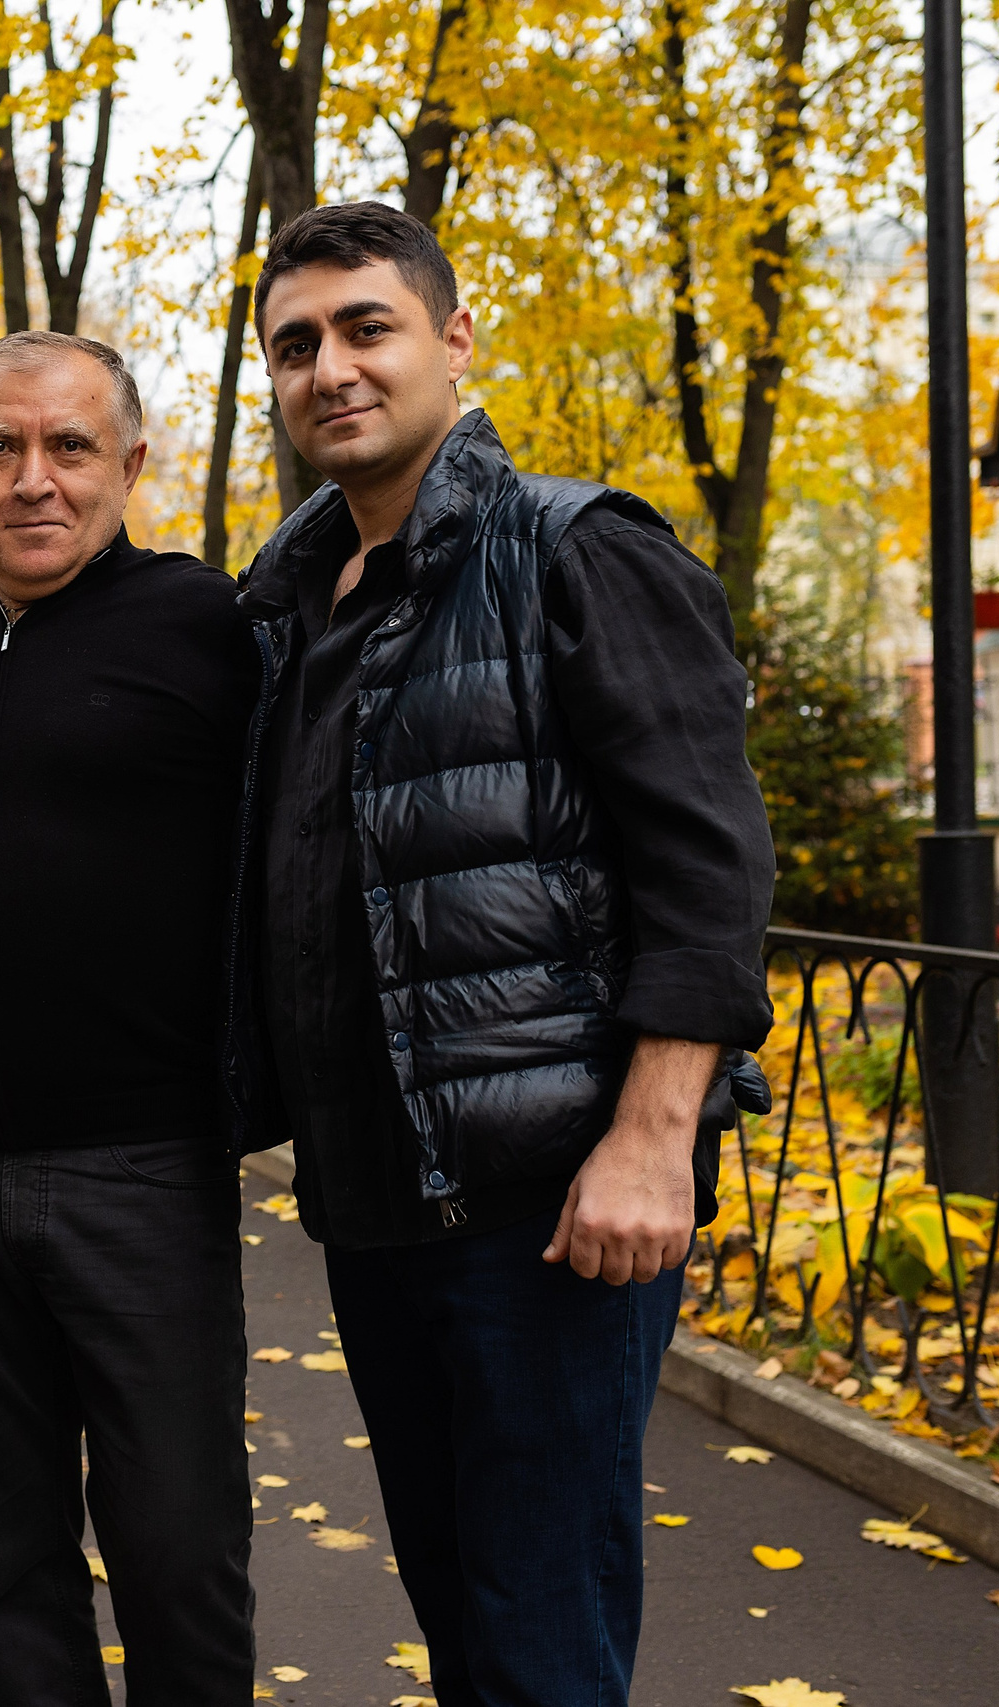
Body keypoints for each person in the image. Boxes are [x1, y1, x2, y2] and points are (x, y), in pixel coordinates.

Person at [229, 202, 777, 1705]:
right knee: (467, 1628)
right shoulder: (288, 605)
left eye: (365, 328)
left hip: (546, 1204)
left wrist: (655, 1138)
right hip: (378, 1199)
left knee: (540, 1642)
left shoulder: (573, 548)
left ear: (453, 342)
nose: (329, 368)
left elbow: (710, 866)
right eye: (296, 345)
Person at [0, 331, 262, 1705]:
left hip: (140, 1171)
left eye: (71, 446)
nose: (34, 480)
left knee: (177, 1544)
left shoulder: (214, 632)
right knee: (6, 1551)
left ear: (132, 464)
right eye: (0, 448)